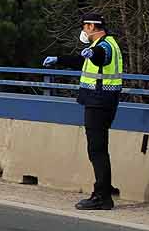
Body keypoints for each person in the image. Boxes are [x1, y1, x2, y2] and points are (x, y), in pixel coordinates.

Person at [42, 12, 124, 210]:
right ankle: (104, 190)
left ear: (91, 27)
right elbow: (84, 61)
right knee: (98, 149)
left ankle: (102, 196)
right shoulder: (104, 43)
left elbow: (100, 57)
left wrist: (93, 54)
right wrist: (59, 59)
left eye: (84, 27)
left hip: (99, 102)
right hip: (102, 101)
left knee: (96, 150)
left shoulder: (104, 46)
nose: (82, 31)